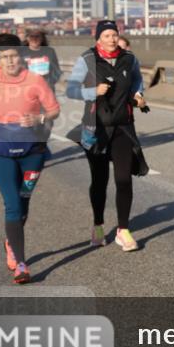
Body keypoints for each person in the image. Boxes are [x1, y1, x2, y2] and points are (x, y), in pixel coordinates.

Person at [0, 34, 60, 284]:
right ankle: (21, 263)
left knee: (23, 202)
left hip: (33, 153)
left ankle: (10, 241)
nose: (10, 61)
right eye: (4, 56)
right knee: (11, 203)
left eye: (13, 55)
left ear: (21, 56)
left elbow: (54, 109)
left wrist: (39, 119)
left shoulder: (35, 80)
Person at [66, 20, 148, 251]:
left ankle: (123, 230)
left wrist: (139, 95)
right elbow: (70, 90)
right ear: (98, 39)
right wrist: (93, 91)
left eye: (114, 34)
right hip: (96, 129)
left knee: (124, 179)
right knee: (99, 181)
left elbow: (137, 81)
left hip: (123, 126)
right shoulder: (87, 59)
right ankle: (99, 225)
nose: (111, 39)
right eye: (106, 35)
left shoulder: (129, 59)